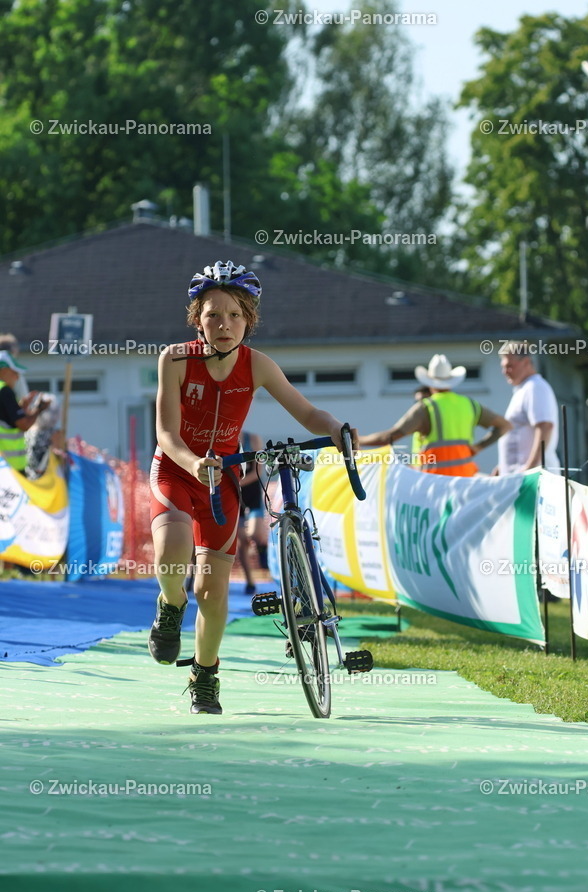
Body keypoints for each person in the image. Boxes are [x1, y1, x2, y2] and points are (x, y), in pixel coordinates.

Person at [148, 260, 357, 716]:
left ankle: (204, 676)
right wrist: (191, 461)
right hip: (176, 469)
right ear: (197, 320)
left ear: (250, 320)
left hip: (220, 479)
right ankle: (169, 605)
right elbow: (166, 434)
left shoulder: (258, 365)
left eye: (235, 315)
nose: (224, 325)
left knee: (213, 592)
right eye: (213, 315)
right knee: (172, 551)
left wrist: (338, 429)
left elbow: (307, 413)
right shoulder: (175, 358)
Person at [359, 354, 511, 476]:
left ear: (429, 383)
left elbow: (390, 436)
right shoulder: (470, 404)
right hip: (465, 478)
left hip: (434, 482)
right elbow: (505, 425)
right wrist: (478, 447)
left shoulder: (426, 408)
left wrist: (359, 440)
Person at [494, 341, 560, 475]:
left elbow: (545, 427)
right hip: (524, 478)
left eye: (510, 366)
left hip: (533, 481)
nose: (504, 372)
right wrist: (502, 467)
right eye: (503, 367)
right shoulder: (525, 389)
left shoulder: (535, 388)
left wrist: (530, 469)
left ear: (526, 362)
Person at [0, 351, 52, 473]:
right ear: (3, 370)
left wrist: (22, 406)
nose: (17, 377)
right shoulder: (5, 391)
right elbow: (23, 424)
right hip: (11, 466)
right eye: (15, 373)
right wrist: (39, 409)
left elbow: (7, 418)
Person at [237, 430, 270, 595]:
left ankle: (263, 546)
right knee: (242, 541)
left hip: (251, 492)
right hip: (234, 496)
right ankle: (250, 582)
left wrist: (238, 482)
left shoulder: (253, 439)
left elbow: (258, 471)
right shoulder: (222, 439)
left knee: (255, 533)